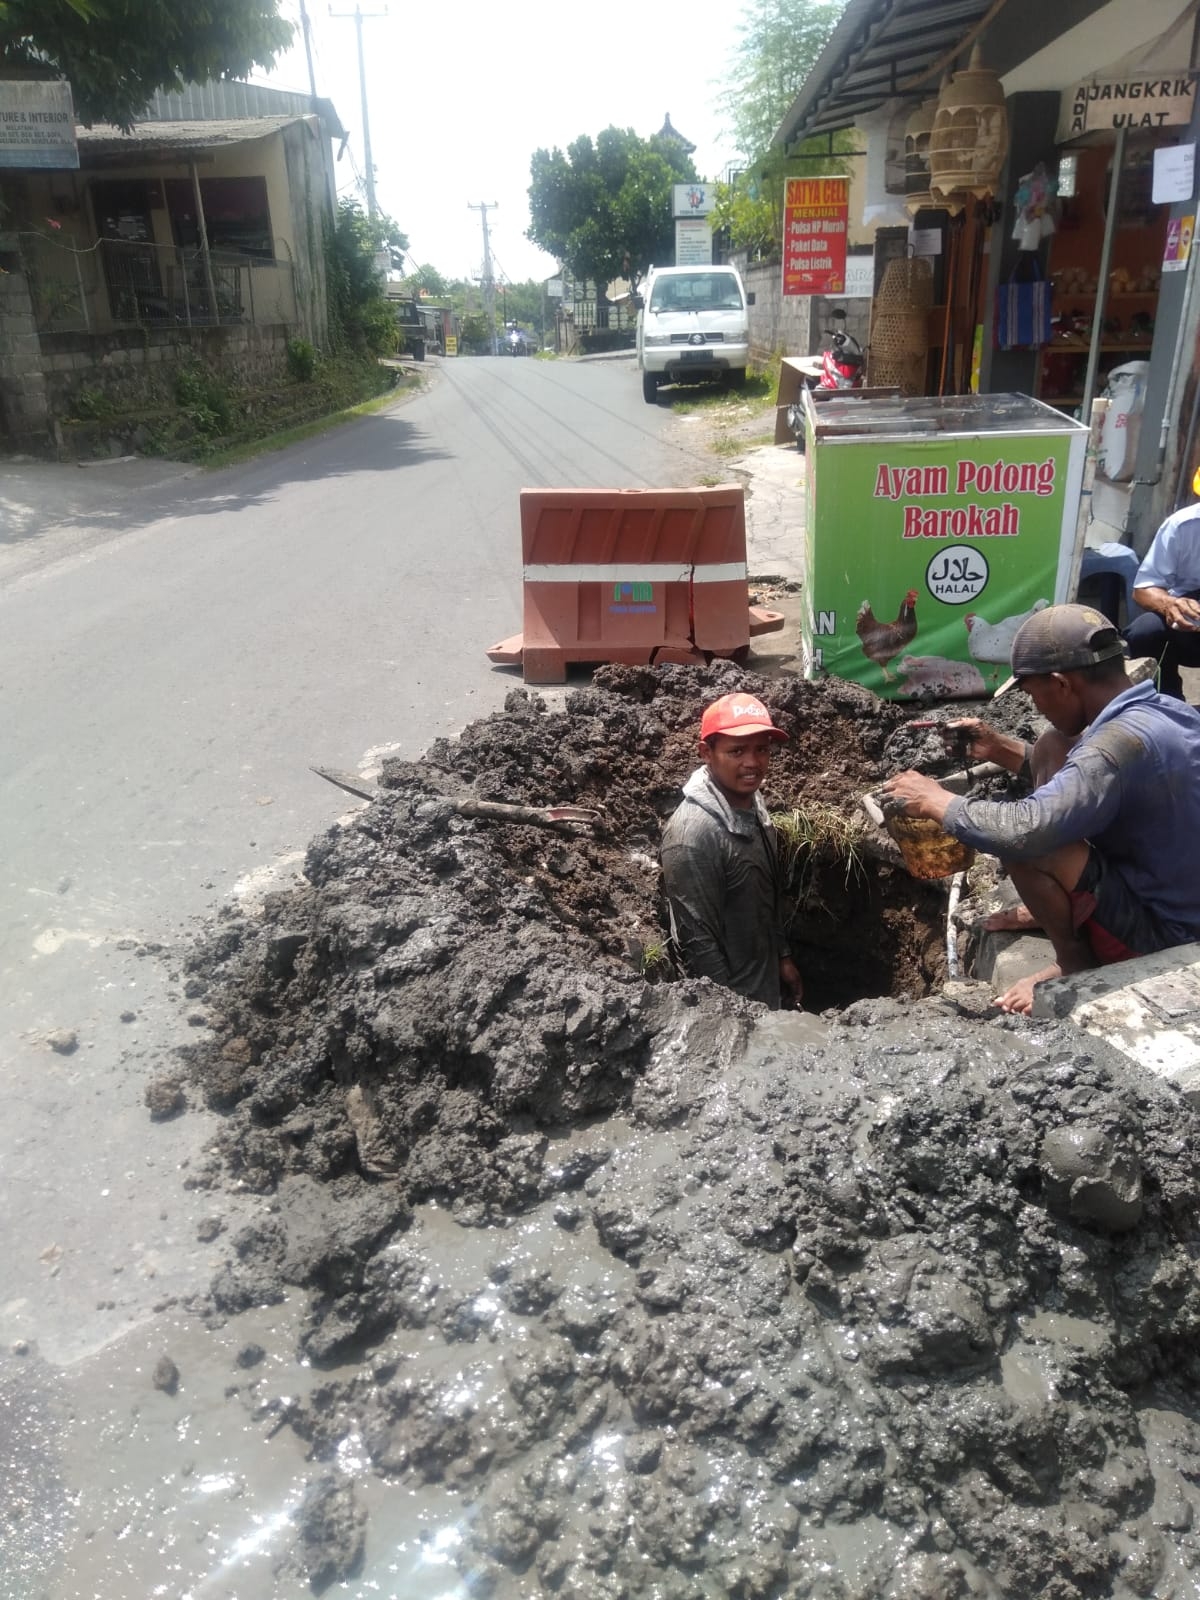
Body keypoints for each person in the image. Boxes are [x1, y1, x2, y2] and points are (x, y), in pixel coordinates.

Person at [883, 604, 1200, 1016]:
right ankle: (1059, 908)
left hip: (1164, 936)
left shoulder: (1111, 748)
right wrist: (997, 746)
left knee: (1024, 843)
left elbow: (1027, 829)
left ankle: (1075, 960)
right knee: (1052, 746)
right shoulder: (1165, 712)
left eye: (1033, 694)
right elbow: (1082, 782)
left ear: (1062, 684)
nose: (1035, 706)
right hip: (1172, 894)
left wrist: (937, 800)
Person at [660, 692, 802, 1010]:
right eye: (736, 751)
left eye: (762, 749)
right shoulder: (694, 836)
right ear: (706, 753)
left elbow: (766, 895)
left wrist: (782, 957)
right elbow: (698, 947)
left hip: (763, 982)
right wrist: (735, 1017)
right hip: (733, 1005)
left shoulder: (753, 804)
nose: (752, 763)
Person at [1125, 493, 1200, 699]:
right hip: (1190, 620)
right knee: (1145, 632)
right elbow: (1144, 588)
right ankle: (1166, 705)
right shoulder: (1181, 525)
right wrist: (1170, 605)